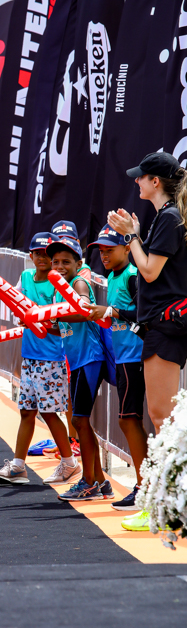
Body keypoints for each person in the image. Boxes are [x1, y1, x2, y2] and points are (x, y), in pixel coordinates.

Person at [107, 151, 187, 531]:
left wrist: (131, 236)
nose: (136, 182)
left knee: (162, 419)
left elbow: (151, 271)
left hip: (165, 328)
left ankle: (165, 507)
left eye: (141, 177)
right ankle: (164, 504)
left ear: (156, 181)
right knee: (162, 418)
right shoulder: (167, 216)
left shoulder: (169, 218)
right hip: (161, 326)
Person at [0, 232, 77, 487]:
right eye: (38, 253)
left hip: (51, 357)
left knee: (50, 413)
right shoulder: (26, 277)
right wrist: (23, 318)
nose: (43, 258)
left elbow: (60, 324)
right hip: (29, 356)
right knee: (27, 411)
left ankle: (70, 463)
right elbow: (17, 305)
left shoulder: (58, 283)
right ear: (30, 256)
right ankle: (18, 466)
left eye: (47, 254)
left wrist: (37, 321)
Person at [47, 236, 114, 502]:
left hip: (90, 358)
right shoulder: (57, 287)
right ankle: (99, 481)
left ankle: (89, 483)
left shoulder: (78, 282)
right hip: (77, 360)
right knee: (80, 420)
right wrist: (38, 323)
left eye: (66, 261)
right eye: (55, 261)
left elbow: (84, 308)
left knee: (79, 420)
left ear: (79, 263)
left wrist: (51, 314)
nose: (60, 266)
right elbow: (61, 326)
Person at [87, 224, 147, 514]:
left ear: (127, 248)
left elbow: (147, 314)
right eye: (100, 250)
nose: (104, 255)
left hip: (135, 357)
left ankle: (144, 487)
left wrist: (111, 312)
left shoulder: (134, 276)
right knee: (129, 420)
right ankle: (145, 485)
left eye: (109, 249)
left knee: (128, 420)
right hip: (123, 358)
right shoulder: (113, 276)